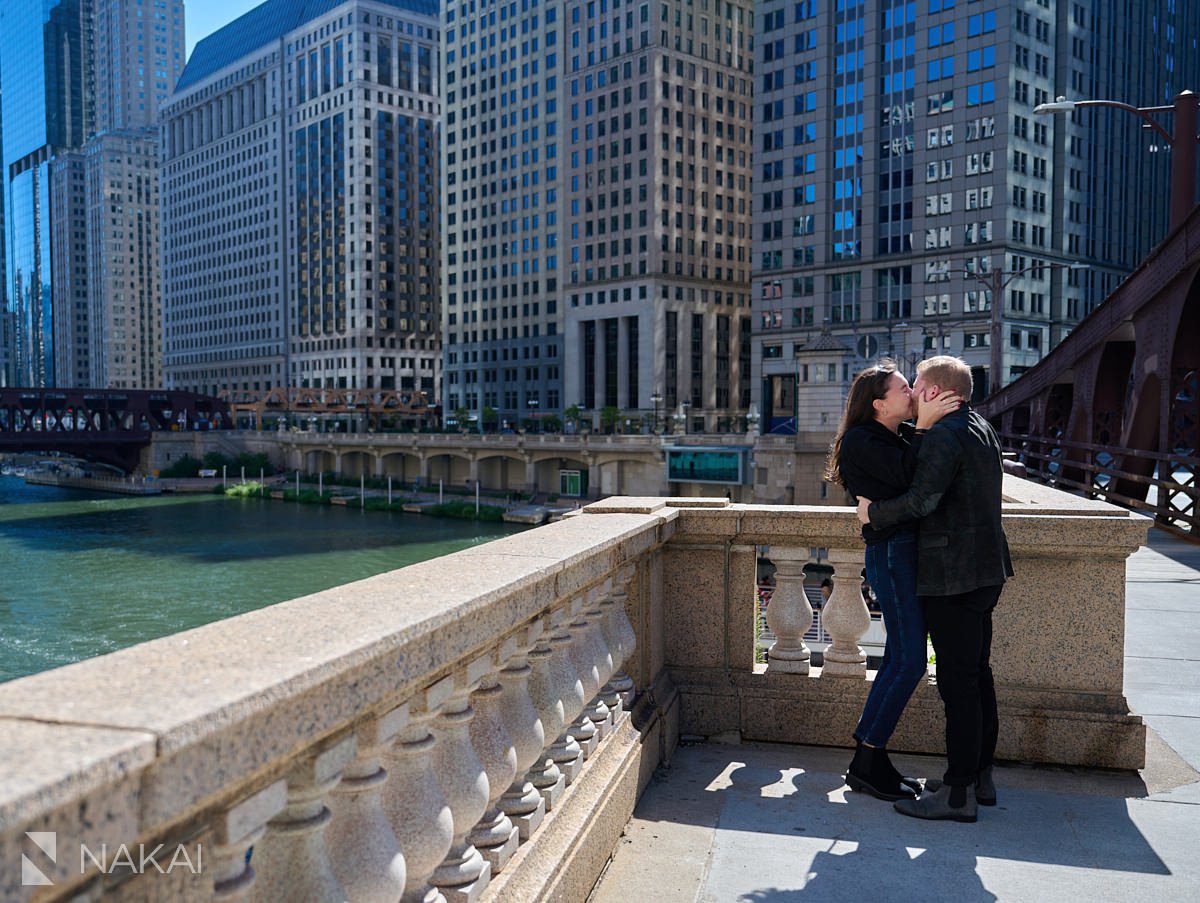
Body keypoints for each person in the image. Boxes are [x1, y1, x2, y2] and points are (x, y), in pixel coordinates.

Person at [856, 355, 1014, 824]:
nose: (912, 393)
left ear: (931, 392)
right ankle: (979, 775)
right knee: (977, 677)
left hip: (953, 576)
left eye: (916, 385)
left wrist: (873, 515)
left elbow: (923, 499)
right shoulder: (979, 425)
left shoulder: (944, 434)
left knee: (958, 685)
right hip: (986, 571)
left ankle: (958, 794)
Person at [825, 360, 961, 802]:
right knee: (908, 661)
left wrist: (919, 428)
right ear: (880, 403)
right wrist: (924, 426)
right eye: (905, 388)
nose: (914, 394)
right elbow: (912, 479)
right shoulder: (862, 441)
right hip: (891, 553)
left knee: (904, 659)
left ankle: (869, 757)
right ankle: (867, 757)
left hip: (902, 551)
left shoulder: (892, 434)